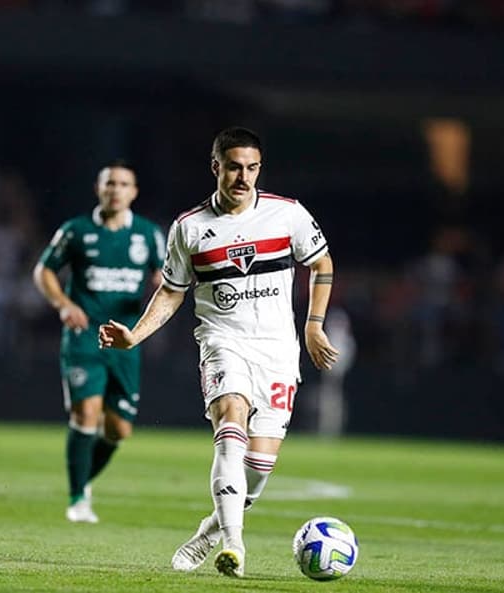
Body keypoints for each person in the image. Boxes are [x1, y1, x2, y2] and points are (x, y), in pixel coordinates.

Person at [98, 127, 338, 577]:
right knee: (231, 418)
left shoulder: (287, 216)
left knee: (260, 467)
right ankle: (234, 545)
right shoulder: (189, 229)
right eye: (233, 168)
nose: (243, 177)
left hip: (278, 352)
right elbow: (171, 293)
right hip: (222, 342)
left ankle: (207, 534)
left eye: (251, 168)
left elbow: (321, 262)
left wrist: (313, 326)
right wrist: (134, 334)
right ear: (216, 168)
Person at [33, 160, 165, 523]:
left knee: (119, 429)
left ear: (133, 192)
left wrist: (162, 283)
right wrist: (63, 304)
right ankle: (78, 499)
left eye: (123, 184)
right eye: (109, 183)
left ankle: (82, 477)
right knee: (86, 413)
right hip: (84, 336)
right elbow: (43, 270)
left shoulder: (148, 234)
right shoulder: (76, 231)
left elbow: (166, 275)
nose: (115, 189)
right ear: (98, 189)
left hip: (125, 339)